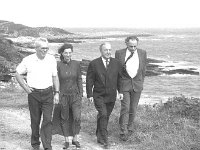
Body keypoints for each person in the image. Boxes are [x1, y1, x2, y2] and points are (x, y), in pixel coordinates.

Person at [15, 37, 59, 150]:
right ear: (36, 48)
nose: (45, 50)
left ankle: (47, 146)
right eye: (42, 48)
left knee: (48, 120)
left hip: (48, 93)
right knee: (35, 121)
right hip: (34, 94)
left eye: (47, 48)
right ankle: (35, 144)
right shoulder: (28, 60)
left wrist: (57, 92)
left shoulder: (51, 59)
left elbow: (55, 76)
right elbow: (18, 73)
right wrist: (25, 87)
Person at [86, 42, 123, 149]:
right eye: (105, 50)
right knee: (103, 114)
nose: (108, 52)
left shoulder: (117, 63)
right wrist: (90, 95)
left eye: (109, 50)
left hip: (111, 96)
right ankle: (105, 138)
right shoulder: (94, 63)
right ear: (101, 51)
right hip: (99, 95)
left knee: (105, 115)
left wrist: (120, 92)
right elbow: (89, 80)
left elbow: (120, 79)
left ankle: (99, 135)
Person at [115, 36, 147, 141]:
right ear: (126, 44)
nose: (133, 48)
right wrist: (118, 89)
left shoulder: (142, 53)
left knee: (133, 108)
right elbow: (117, 72)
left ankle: (130, 128)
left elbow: (143, 69)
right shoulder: (119, 53)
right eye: (130, 46)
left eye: (135, 46)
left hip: (137, 85)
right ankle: (123, 131)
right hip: (124, 85)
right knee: (125, 108)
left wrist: (141, 82)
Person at [52, 43, 83, 149]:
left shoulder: (77, 64)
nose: (68, 55)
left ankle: (75, 139)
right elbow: (55, 80)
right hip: (63, 95)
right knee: (64, 118)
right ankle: (66, 141)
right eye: (66, 53)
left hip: (75, 95)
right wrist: (56, 93)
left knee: (77, 117)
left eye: (70, 52)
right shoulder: (58, 65)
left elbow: (79, 78)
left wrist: (81, 94)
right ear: (62, 53)